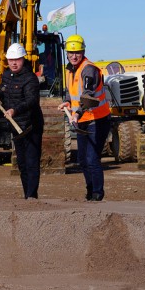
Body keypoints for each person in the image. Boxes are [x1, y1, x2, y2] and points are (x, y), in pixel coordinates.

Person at [58, 34, 111, 201]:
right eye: (71, 53)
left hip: (97, 119)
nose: (74, 56)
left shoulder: (89, 69)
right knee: (82, 160)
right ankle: (89, 191)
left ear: (83, 51)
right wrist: (67, 103)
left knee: (92, 158)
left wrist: (77, 113)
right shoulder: (69, 69)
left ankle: (97, 194)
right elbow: (70, 92)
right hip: (81, 120)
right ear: (67, 53)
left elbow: (87, 96)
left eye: (78, 52)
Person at [0, 43, 43, 199]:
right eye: (10, 60)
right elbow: (4, 94)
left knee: (31, 162)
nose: (13, 63)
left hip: (31, 126)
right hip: (16, 127)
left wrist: (14, 110)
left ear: (23, 59)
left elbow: (31, 101)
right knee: (22, 164)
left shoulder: (30, 78)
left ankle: (32, 196)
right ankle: (27, 195)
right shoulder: (6, 76)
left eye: (17, 59)